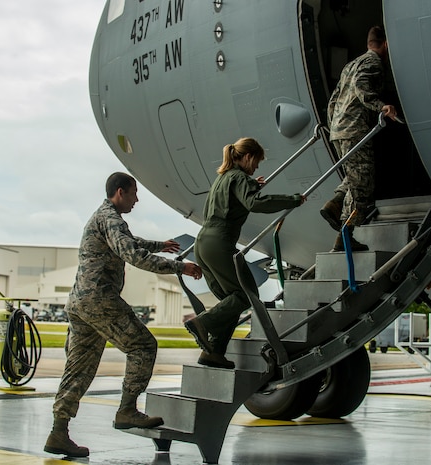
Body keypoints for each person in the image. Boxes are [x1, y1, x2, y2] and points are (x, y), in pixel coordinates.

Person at [44, 172, 203, 458]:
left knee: (78, 369)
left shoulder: (104, 217)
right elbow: (132, 254)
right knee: (143, 346)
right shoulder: (112, 218)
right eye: (134, 193)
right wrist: (180, 267)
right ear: (120, 192)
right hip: (99, 300)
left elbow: (129, 241)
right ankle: (127, 410)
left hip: (80, 304)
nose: (136, 199)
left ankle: (58, 431)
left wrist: (160, 245)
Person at [184, 138, 306, 369]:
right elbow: (254, 203)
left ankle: (214, 353)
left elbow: (235, 199)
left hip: (203, 244)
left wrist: (252, 185)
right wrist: (294, 200)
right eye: (257, 162)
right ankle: (203, 324)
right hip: (220, 243)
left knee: (230, 301)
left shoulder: (223, 178)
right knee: (247, 294)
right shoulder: (239, 178)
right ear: (248, 156)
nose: (256, 168)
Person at [319, 25, 398, 251]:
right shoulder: (373, 63)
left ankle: (335, 204)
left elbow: (333, 100)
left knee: (355, 176)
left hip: (340, 130)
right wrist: (383, 107)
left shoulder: (350, 65)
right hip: (355, 131)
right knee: (362, 184)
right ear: (386, 44)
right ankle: (345, 236)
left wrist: (334, 127)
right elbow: (361, 87)